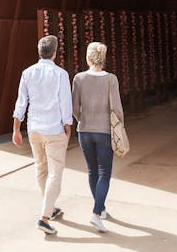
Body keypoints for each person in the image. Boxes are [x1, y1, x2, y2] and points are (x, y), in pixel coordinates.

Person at [12, 34, 73, 235]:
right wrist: (68, 124)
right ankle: (44, 218)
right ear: (54, 52)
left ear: (39, 52)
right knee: (55, 172)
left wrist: (16, 128)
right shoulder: (61, 74)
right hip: (54, 129)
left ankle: (51, 208)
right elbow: (65, 101)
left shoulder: (27, 73)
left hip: (34, 129)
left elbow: (21, 102)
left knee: (41, 169)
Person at [72, 41, 124, 233]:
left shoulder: (78, 78)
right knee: (104, 173)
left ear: (88, 58)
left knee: (92, 172)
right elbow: (117, 109)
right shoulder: (111, 79)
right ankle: (95, 213)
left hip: (84, 131)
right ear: (104, 58)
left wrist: (82, 120)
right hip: (104, 132)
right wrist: (120, 126)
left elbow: (74, 108)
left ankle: (101, 208)